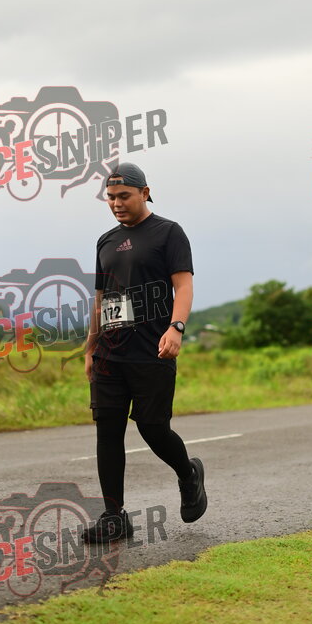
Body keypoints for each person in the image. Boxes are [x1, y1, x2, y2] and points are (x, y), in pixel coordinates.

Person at [82, 162, 207, 544]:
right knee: (108, 430)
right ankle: (113, 516)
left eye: (124, 196)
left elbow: (183, 286)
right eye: (110, 197)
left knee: (153, 428)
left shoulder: (168, 233)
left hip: (153, 350)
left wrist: (176, 327)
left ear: (145, 193)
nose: (116, 203)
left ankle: (188, 473)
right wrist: (90, 346)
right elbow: (101, 298)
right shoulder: (105, 241)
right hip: (110, 354)